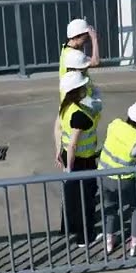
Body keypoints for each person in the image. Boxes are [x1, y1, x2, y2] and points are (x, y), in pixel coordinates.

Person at [97, 99, 136, 256]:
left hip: (102, 175)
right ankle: (134, 244)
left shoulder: (115, 124)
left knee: (110, 207)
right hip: (124, 180)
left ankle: (109, 241)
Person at [57, 71, 101, 248]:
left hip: (71, 157)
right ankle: (85, 237)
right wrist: (70, 168)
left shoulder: (65, 107)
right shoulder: (78, 115)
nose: (85, 89)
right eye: (82, 87)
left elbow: (59, 129)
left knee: (72, 197)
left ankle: (71, 228)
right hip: (81, 161)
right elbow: (73, 145)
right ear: (76, 91)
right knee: (86, 200)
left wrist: (59, 153)